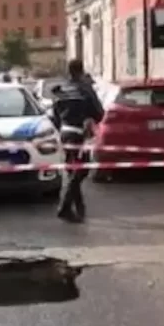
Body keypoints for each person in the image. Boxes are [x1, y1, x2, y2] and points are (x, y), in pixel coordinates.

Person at [50, 59, 104, 223]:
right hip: (79, 134)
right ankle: (65, 207)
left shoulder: (61, 89)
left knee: (73, 169)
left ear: (69, 71)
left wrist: (61, 126)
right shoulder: (85, 89)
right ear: (81, 71)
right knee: (82, 170)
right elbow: (99, 113)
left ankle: (79, 206)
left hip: (65, 132)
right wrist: (89, 119)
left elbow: (55, 115)